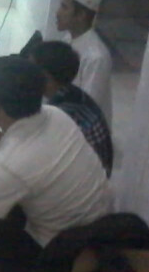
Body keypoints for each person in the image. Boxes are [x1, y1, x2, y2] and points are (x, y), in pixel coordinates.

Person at [0, 56, 111, 272]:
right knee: (5, 197)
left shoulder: (12, 164)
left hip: (65, 253)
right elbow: (14, 152)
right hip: (101, 224)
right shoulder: (56, 115)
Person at [29, 40, 113, 175]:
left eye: (30, 70)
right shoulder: (74, 94)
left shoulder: (60, 115)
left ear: (45, 76)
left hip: (84, 182)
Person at [55, 0, 113, 124]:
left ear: (81, 15)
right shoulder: (67, 39)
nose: (57, 13)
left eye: (64, 7)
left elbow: (86, 109)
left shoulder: (96, 57)